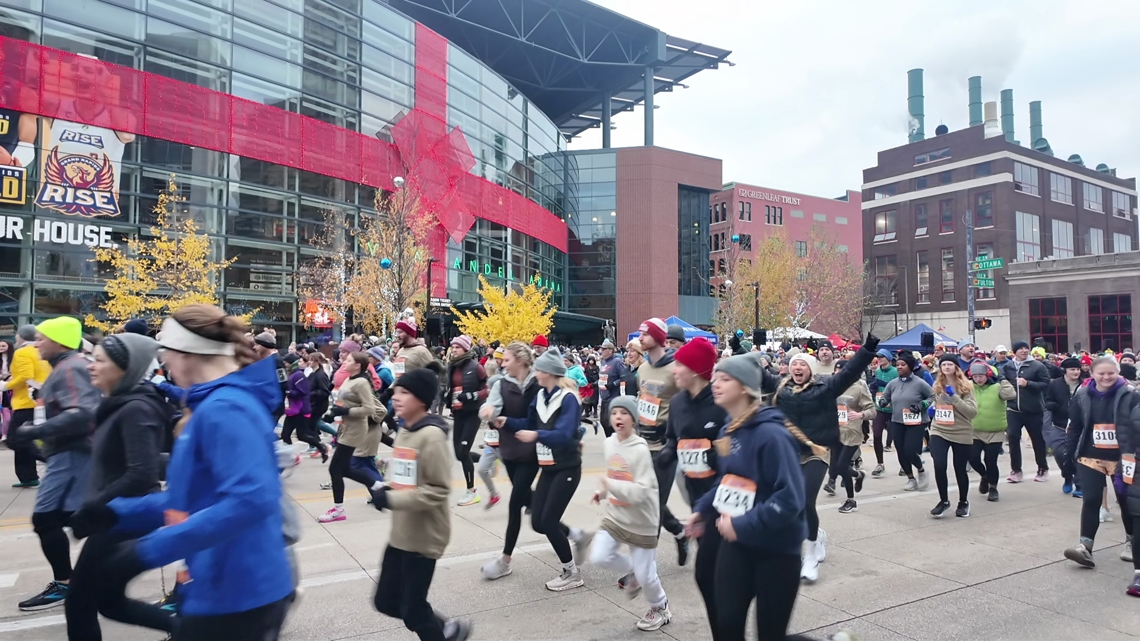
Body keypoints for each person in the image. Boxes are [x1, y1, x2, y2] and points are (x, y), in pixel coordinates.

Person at [69, 305, 294, 639]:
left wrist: (145, 552)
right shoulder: (210, 405)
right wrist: (114, 514)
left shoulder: (226, 407)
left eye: (168, 353)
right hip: (219, 585)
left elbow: (252, 500)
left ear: (188, 353)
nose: (165, 364)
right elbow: (190, 499)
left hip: (241, 590)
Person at [686, 354, 808, 641]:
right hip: (738, 546)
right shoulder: (728, 429)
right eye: (714, 378)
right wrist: (703, 509)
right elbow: (727, 481)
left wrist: (742, 525)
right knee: (727, 625)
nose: (715, 384)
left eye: (725, 379)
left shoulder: (772, 436)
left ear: (745, 387)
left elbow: (791, 498)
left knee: (771, 636)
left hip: (777, 550)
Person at [65, 333, 174, 640]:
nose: (91, 366)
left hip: (123, 518)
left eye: (100, 360)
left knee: (79, 602)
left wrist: (95, 506)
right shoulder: (116, 403)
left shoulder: (136, 408)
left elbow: (141, 472)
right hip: (114, 515)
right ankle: (190, 631)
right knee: (110, 603)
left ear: (125, 369)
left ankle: (194, 631)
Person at [761, 335, 878, 584]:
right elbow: (756, 373)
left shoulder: (826, 388)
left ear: (811, 369)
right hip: (788, 453)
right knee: (787, 504)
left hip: (817, 452)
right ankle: (819, 533)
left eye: (803, 364)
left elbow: (851, 372)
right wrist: (739, 348)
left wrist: (868, 349)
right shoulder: (781, 387)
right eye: (794, 364)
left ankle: (811, 554)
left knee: (805, 502)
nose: (797, 368)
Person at [366, 368, 472, 641]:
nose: (396, 398)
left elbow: (437, 491)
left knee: (413, 611)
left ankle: (444, 633)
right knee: (386, 602)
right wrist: (389, 488)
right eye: (396, 392)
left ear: (422, 399)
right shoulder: (406, 430)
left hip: (424, 537)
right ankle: (447, 630)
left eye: (404, 393)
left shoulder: (431, 436)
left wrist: (391, 498)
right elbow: (408, 480)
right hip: (401, 533)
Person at [7, 318, 101, 611]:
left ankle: (67, 584)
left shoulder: (71, 368)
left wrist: (34, 432)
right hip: (67, 453)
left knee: (47, 519)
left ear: (59, 341)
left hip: (73, 454)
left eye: (41, 339)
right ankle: (79, 580)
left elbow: (83, 413)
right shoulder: (65, 367)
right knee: (68, 518)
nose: (35, 344)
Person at [493, 348, 589, 591]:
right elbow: (529, 422)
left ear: (549, 372)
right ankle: (578, 538)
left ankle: (571, 573)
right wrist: (507, 421)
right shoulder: (541, 398)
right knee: (537, 521)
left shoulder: (568, 398)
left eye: (539, 369)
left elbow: (565, 433)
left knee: (548, 520)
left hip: (567, 467)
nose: (535, 372)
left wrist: (536, 435)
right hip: (548, 467)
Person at [656, 338, 725, 635]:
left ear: (696, 370)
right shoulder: (679, 401)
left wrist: (713, 454)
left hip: (725, 499)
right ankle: (722, 628)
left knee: (709, 573)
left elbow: (734, 453)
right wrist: (668, 452)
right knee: (709, 575)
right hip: (696, 498)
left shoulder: (722, 403)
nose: (674, 371)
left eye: (679, 365)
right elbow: (674, 437)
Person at [588, 396, 672, 631]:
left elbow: (643, 492)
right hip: (616, 515)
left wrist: (610, 486)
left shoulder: (640, 450)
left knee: (647, 576)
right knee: (599, 556)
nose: (618, 417)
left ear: (634, 419)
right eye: (615, 413)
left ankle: (660, 607)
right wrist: (602, 492)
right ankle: (633, 571)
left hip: (641, 519)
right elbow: (615, 475)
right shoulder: (609, 443)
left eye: (624, 413)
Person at [1062, 355, 1137, 581]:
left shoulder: (1131, 395)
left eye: (1111, 373)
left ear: (1118, 373)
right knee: (1092, 498)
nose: (1106, 377)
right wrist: (1069, 454)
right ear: (1092, 374)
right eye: (1101, 373)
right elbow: (1075, 426)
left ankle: (1132, 542)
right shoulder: (1082, 395)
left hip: (1123, 458)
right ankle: (1085, 546)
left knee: (1126, 501)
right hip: (1090, 456)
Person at [480, 342, 541, 580]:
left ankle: (505, 560)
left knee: (515, 503)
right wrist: (487, 411)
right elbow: (491, 406)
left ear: (521, 360)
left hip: (533, 449)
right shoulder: (501, 383)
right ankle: (573, 534)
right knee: (531, 501)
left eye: (506, 359)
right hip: (510, 450)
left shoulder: (539, 380)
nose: (502, 363)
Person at [636, 318, 689, 565]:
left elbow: (687, 404)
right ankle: (679, 531)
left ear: (657, 338)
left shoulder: (677, 368)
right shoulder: (643, 369)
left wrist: (675, 439)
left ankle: (644, 567)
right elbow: (642, 399)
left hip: (666, 447)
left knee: (652, 508)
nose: (639, 338)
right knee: (644, 501)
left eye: (644, 334)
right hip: (642, 444)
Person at [319, 352, 386, 523]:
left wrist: (346, 412)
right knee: (345, 469)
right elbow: (342, 402)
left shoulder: (362, 382)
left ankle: (338, 510)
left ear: (358, 365)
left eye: (349, 360)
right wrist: (333, 413)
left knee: (335, 469)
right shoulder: (349, 380)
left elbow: (370, 409)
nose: (344, 361)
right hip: (345, 427)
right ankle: (376, 484)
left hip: (355, 430)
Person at [926, 355, 977, 518]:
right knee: (939, 464)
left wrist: (954, 397)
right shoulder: (937, 384)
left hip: (961, 430)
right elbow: (937, 402)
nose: (946, 367)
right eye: (944, 364)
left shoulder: (966, 386)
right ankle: (944, 500)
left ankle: (963, 502)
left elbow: (971, 412)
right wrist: (932, 409)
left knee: (959, 469)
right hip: (939, 429)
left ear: (956, 367)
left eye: (950, 364)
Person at [1, 325, 50, 487]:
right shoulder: (41, 350)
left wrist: (4, 386)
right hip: (39, 400)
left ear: (20, 336)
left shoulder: (22, 352)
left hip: (26, 402)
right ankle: (27, 476)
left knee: (16, 440)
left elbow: (25, 377)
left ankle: (51, 458)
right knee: (25, 439)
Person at [879, 352, 933, 493]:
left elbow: (932, 396)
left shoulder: (920, 383)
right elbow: (886, 396)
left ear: (910, 366)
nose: (899, 367)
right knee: (901, 451)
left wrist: (923, 405)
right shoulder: (893, 384)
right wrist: (883, 401)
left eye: (903, 365)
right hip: (897, 420)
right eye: (897, 365)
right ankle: (911, 478)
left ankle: (921, 471)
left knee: (910, 450)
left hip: (916, 422)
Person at [826, 359, 875, 514]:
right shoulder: (830, 387)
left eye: (842, 371)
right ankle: (858, 475)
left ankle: (851, 500)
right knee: (836, 465)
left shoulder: (858, 388)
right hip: (835, 432)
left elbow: (872, 410)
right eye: (836, 370)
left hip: (852, 432)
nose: (838, 373)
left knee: (842, 466)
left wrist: (861, 414)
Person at [446, 335, 487, 506]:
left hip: (472, 413)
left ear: (465, 348)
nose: (453, 349)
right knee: (458, 453)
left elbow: (487, 389)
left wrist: (472, 395)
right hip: (458, 413)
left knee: (463, 453)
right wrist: (447, 395)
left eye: (457, 347)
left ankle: (472, 491)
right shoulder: (452, 366)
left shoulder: (476, 367)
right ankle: (487, 459)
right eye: (452, 347)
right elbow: (451, 387)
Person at [1002, 340, 1051, 483]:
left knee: (1037, 439)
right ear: (1014, 351)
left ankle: (1042, 467)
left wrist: (1028, 383)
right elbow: (1000, 378)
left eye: (1026, 348)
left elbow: (1045, 384)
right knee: (1012, 437)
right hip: (1013, 409)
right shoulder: (1008, 366)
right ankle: (1016, 470)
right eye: (1020, 348)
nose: (1024, 351)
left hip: (1033, 409)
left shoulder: (1037, 366)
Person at [967, 362, 1013, 503]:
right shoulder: (968, 387)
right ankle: (984, 476)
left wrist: (1003, 379)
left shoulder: (997, 387)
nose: (978, 379)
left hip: (995, 431)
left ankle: (993, 487)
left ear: (987, 375)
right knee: (973, 458)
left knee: (990, 460)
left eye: (981, 375)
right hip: (974, 430)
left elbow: (1011, 394)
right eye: (975, 376)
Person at [1046, 357, 1083, 495]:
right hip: (1059, 424)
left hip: (1078, 426)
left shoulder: (1085, 384)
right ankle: (1067, 476)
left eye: (1078, 369)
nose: (1076, 372)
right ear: (1065, 370)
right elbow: (1047, 401)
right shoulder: (1055, 384)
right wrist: (1056, 406)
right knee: (1059, 453)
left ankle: (1079, 485)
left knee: (1078, 455)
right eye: (1072, 369)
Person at [281, 354, 327, 462]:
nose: (285, 364)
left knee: (300, 435)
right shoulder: (292, 374)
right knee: (290, 434)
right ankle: (292, 457)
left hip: (300, 410)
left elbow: (303, 392)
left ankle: (320, 448)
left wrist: (288, 392)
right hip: (294, 410)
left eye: (286, 362)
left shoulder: (298, 375)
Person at [868, 349, 898, 478]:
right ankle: (880, 463)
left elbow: (898, 388)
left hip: (894, 408)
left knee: (898, 438)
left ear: (889, 358)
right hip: (880, 407)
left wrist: (885, 385)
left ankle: (905, 463)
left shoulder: (896, 371)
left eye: (882, 357)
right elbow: (877, 388)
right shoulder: (878, 371)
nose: (879, 359)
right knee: (877, 435)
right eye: (878, 357)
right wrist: (873, 388)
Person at [598, 338, 627, 437]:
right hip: (604, 396)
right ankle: (610, 441)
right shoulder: (603, 362)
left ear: (610, 350)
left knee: (611, 423)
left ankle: (616, 442)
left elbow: (625, 376)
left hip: (613, 397)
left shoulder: (617, 362)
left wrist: (614, 384)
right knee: (603, 422)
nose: (601, 351)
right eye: (601, 349)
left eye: (604, 349)